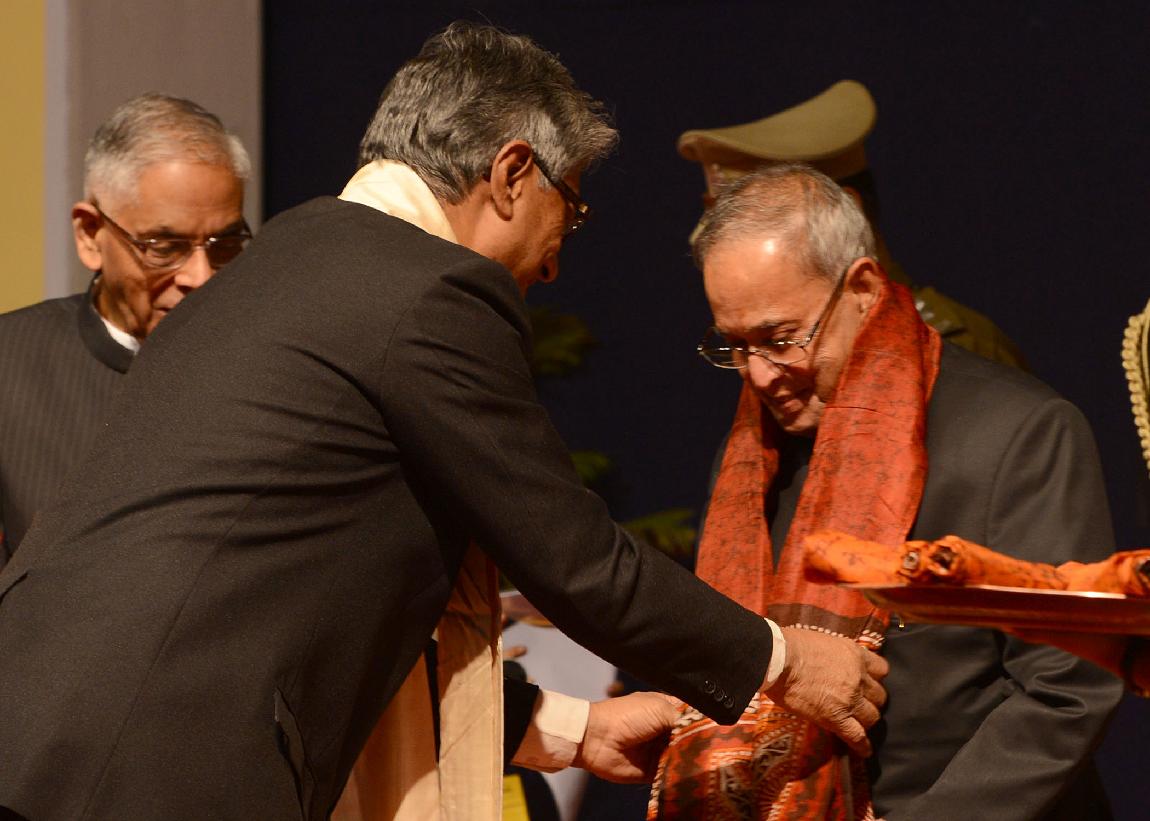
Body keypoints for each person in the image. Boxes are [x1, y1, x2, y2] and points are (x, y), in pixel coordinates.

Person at [0, 24, 887, 821]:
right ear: (512, 173)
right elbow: (578, 560)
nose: (556, 260)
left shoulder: (292, 256)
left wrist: (574, 729)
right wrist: (785, 660)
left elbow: (314, 592)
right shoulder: (429, 290)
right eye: (570, 208)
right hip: (154, 766)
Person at [650, 164, 1122, 820]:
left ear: (863, 289)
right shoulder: (751, 455)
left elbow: (1069, 688)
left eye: (781, 339)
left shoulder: (1020, 434)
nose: (758, 375)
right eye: (735, 345)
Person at [0, 93, 251, 565]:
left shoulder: (279, 369)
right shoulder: (9, 364)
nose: (200, 276)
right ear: (90, 234)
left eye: (226, 244)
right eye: (164, 247)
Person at [677, 79, 1028, 369]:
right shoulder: (768, 362)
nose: (760, 371)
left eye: (762, 224)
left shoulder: (959, 350)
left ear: (848, 212)